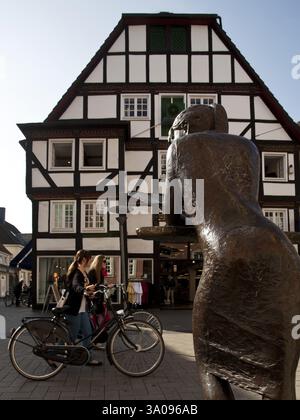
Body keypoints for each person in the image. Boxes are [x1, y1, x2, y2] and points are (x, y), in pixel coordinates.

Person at [64, 250, 101, 366]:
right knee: (70, 337)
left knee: (88, 333)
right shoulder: (77, 273)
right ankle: (53, 354)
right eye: (89, 259)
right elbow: (76, 286)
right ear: (84, 259)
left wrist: (90, 292)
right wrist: (84, 290)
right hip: (74, 310)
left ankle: (87, 358)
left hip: (82, 310)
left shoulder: (83, 272)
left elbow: (83, 288)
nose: (90, 261)